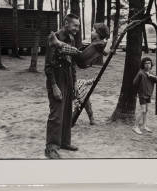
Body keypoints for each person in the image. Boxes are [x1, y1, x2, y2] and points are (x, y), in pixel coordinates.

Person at [48, 22, 111, 125]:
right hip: (82, 60)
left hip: (82, 59)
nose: (91, 32)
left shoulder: (100, 43)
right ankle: (59, 46)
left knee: (74, 51)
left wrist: (109, 41)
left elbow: (106, 52)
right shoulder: (97, 43)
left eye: (93, 31)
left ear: (99, 34)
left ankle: (58, 44)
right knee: (72, 51)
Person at [44, 13, 80, 159]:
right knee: (56, 114)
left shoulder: (71, 39)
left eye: (78, 26)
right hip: (57, 78)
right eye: (75, 25)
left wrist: (75, 82)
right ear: (66, 23)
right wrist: (54, 86)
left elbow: (72, 63)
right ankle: (51, 147)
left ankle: (64, 142)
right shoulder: (54, 38)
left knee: (66, 112)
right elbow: (48, 66)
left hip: (68, 78)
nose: (77, 29)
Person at [132, 57, 157, 135]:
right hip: (142, 95)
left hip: (149, 94)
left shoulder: (151, 73)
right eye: (146, 63)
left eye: (149, 63)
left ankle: (144, 126)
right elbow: (134, 83)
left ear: (151, 64)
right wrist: (140, 90)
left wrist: (152, 77)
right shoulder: (140, 73)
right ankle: (135, 126)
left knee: (146, 111)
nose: (148, 65)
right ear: (143, 64)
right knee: (143, 110)